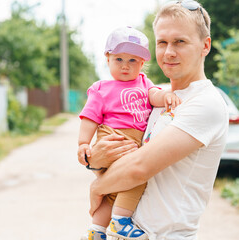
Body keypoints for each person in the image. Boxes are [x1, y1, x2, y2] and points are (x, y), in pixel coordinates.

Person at [87, 1, 229, 239]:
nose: (169, 52)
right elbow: (119, 154)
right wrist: (96, 160)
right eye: (162, 42)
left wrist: (97, 187)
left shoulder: (206, 103)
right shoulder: (156, 96)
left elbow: (138, 168)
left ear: (205, 46)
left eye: (180, 42)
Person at [78, 26, 181, 240]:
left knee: (114, 190)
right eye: (119, 60)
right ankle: (120, 222)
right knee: (136, 178)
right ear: (107, 59)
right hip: (114, 137)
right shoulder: (101, 88)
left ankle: (96, 230)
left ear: (142, 63)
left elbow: (154, 96)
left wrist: (167, 97)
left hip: (134, 140)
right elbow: (89, 117)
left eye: (132, 60)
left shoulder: (144, 82)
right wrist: (83, 143)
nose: (125, 66)